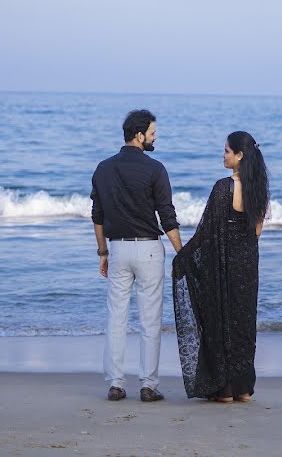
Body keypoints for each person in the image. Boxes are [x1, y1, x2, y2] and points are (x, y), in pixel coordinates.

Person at [91, 109, 183, 402]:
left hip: (117, 248)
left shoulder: (103, 168)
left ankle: (116, 384)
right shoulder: (155, 169)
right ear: (139, 134)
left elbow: (98, 215)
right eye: (153, 133)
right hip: (149, 250)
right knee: (149, 320)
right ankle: (148, 385)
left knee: (116, 318)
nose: (156, 138)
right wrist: (182, 252)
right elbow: (167, 217)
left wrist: (102, 252)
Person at [172, 131, 269, 402]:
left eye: (227, 151)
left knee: (219, 319)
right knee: (243, 322)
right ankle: (243, 388)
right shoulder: (258, 189)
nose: (223, 155)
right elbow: (256, 232)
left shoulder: (222, 188)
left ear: (239, 156)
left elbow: (205, 233)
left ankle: (224, 390)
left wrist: (183, 256)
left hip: (223, 266)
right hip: (248, 266)